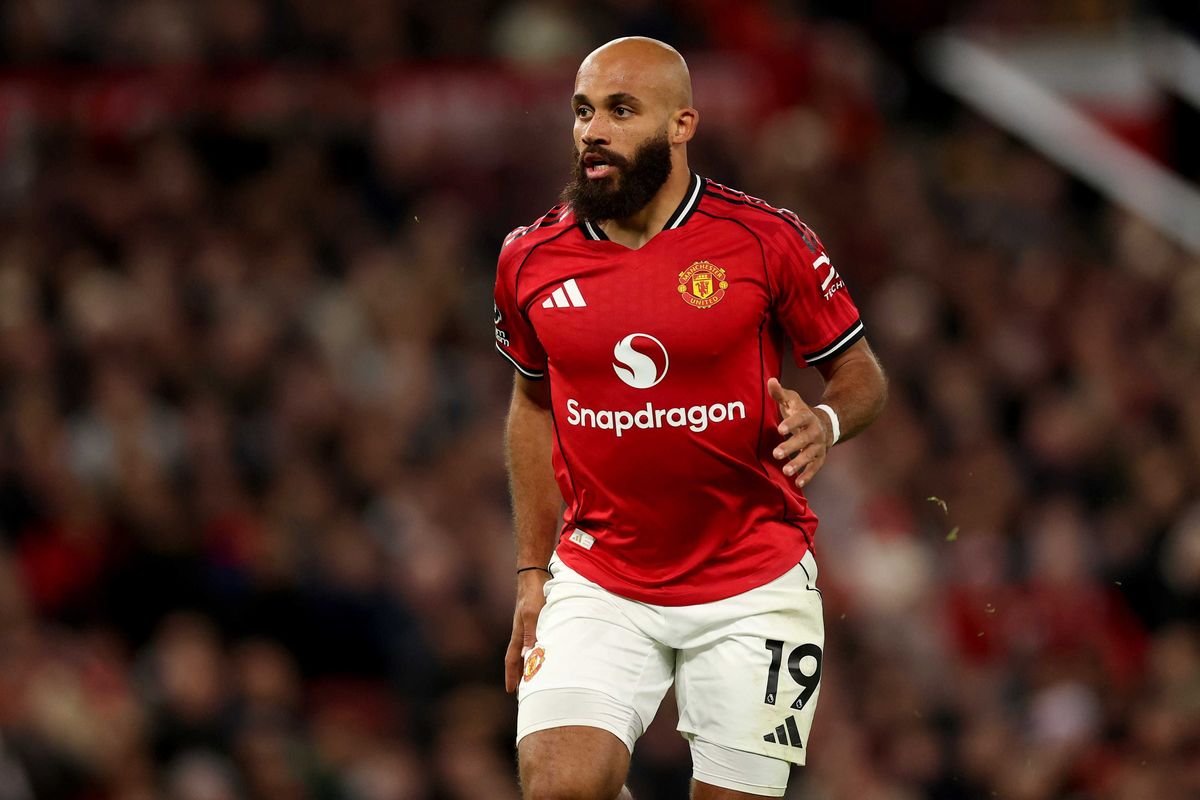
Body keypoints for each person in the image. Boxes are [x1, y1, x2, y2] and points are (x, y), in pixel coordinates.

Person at [493, 37, 887, 800]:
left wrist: (827, 424)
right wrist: (532, 575)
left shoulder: (765, 239)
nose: (592, 131)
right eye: (582, 111)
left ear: (682, 124)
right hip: (603, 576)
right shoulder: (529, 258)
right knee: (559, 787)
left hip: (753, 580)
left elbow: (860, 373)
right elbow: (531, 405)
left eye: (620, 110)